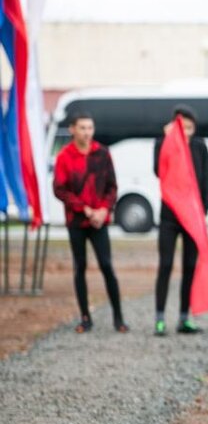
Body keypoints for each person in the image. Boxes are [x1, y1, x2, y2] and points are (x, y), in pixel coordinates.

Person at [53, 110, 127, 334]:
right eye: (82, 128)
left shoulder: (102, 154)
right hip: (76, 220)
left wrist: (104, 209)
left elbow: (112, 186)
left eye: (90, 128)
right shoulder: (65, 157)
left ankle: (118, 318)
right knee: (80, 267)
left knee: (107, 265)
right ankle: (85, 317)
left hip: (99, 221)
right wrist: (84, 209)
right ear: (73, 130)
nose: (87, 132)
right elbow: (59, 189)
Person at [152, 104, 208, 336]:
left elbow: (206, 180)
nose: (186, 132)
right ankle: (159, 318)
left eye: (190, 127)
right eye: (181, 127)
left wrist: (202, 211)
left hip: (192, 216)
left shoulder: (200, 147)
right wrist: (169, 142)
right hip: (169, 216)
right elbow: (159, 170)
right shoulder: (162, 144)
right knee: (165, 265)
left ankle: (185, 317)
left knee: (190, 266)